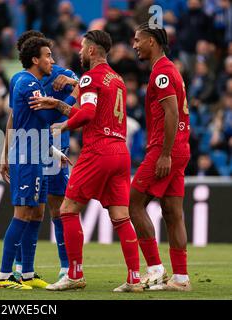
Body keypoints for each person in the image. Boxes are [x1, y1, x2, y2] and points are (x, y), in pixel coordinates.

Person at [30, 30, 143, 292]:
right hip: (119, 151)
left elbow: (87, 114)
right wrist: (58, 105)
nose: (80, 52)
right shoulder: (117, 80)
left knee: (68, 209)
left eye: (82, 48)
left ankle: (74, 274)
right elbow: (92, 111)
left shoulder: (91, 76)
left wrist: (62, 127)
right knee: (120, 216)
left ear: (92, 50)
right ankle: (134, 278)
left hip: (98, 150)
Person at [0, 30, 78, 282]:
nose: (52, 60)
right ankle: (5, 274)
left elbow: (31, 122)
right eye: (47, 55)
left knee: (38, 212)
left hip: (43, 150)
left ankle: (28, 272)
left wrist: (54, 151)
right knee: (24, 213)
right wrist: (63, 102)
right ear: (33, 58)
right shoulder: (27, 82)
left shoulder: (56, 75)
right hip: (28, 155)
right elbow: (41, 118)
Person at [130, 23, 191, 291]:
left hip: (165, 149)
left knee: (133, 203)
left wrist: (164, 153)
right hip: (181, 148)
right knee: (172, 212)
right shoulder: (169, 70)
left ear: (152, 42)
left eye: (137, 40)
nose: (134, 45)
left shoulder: (162, 73)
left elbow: (173, 114)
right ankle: (180, 278)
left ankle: (155, 270)